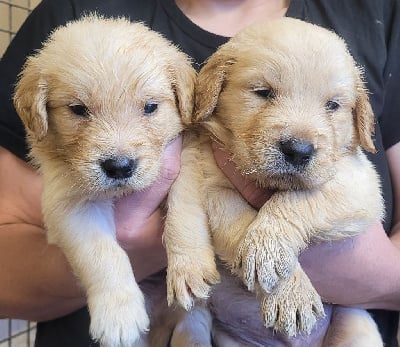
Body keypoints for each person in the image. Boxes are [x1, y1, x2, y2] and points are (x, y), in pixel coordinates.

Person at [0, 0, 399, 346]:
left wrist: (305, 249)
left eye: (334, 106)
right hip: (207, 325)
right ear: (209, 93)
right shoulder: (67, 15)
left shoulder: (379, 12)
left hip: (341, 323)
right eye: (262, 93)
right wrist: (130, 262)